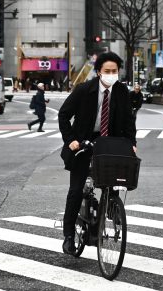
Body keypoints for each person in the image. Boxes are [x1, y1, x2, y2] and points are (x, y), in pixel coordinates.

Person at [57, 52, 136, 255]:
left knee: (113, 182)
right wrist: (71, 141)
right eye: (107, 71)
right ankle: (68, 236)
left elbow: (129, 121)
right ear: (99, 71)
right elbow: (64, 114)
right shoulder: (84, 89)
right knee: (76, 190)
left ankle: (111, 207)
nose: (111, 74)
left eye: (114, 71)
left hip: (109, 142)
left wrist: (132, 143)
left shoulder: (121, 91)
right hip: (83, 141)